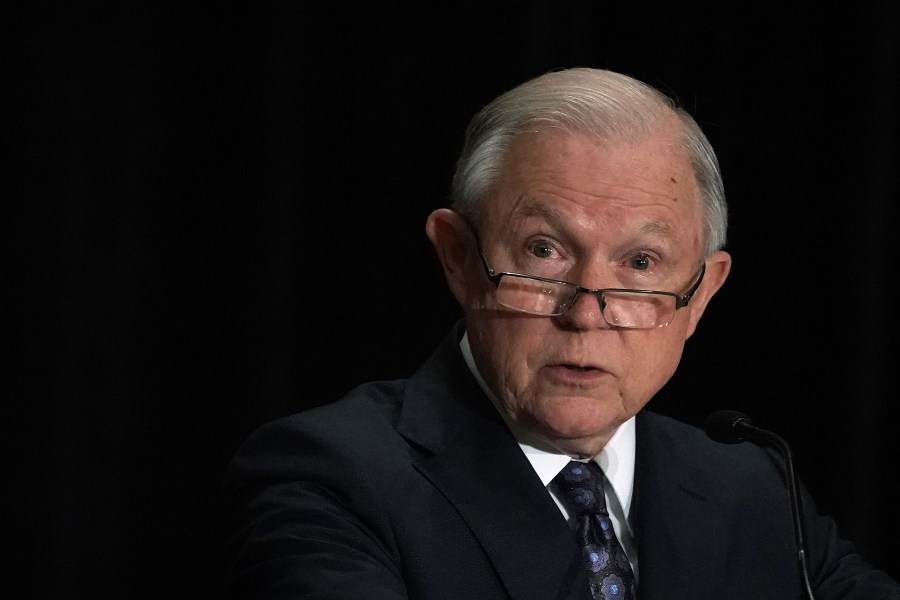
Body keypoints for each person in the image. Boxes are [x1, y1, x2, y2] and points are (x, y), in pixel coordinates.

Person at [220, 67, 900, 599]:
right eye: (544, 251)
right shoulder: (330, 477)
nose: (586, 313)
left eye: (640, 263)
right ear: (458, 257)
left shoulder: (750, 488)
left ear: (701, 295)